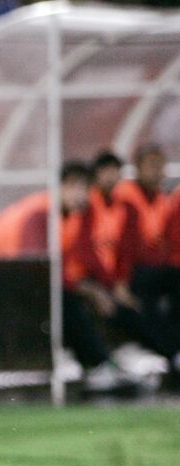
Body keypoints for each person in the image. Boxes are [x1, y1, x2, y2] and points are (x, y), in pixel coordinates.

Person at [62, 160, 180, 391]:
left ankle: (172, 353)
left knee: (141, 304)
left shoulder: (122, 207)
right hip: (84, 282)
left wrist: (118, 283)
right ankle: (102, 365)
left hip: (103, 281)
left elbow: (125, 250)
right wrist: (103, 287)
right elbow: (84, 252)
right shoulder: (80, 211)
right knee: (123, 310)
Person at [114, 144, 180, 332]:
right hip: (131, 269)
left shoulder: (161, 198)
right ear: (138, 167)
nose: (158, 172)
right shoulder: (126, 195)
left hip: (153, 266)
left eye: (161, 166)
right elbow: (125, 243)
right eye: (152, 165)